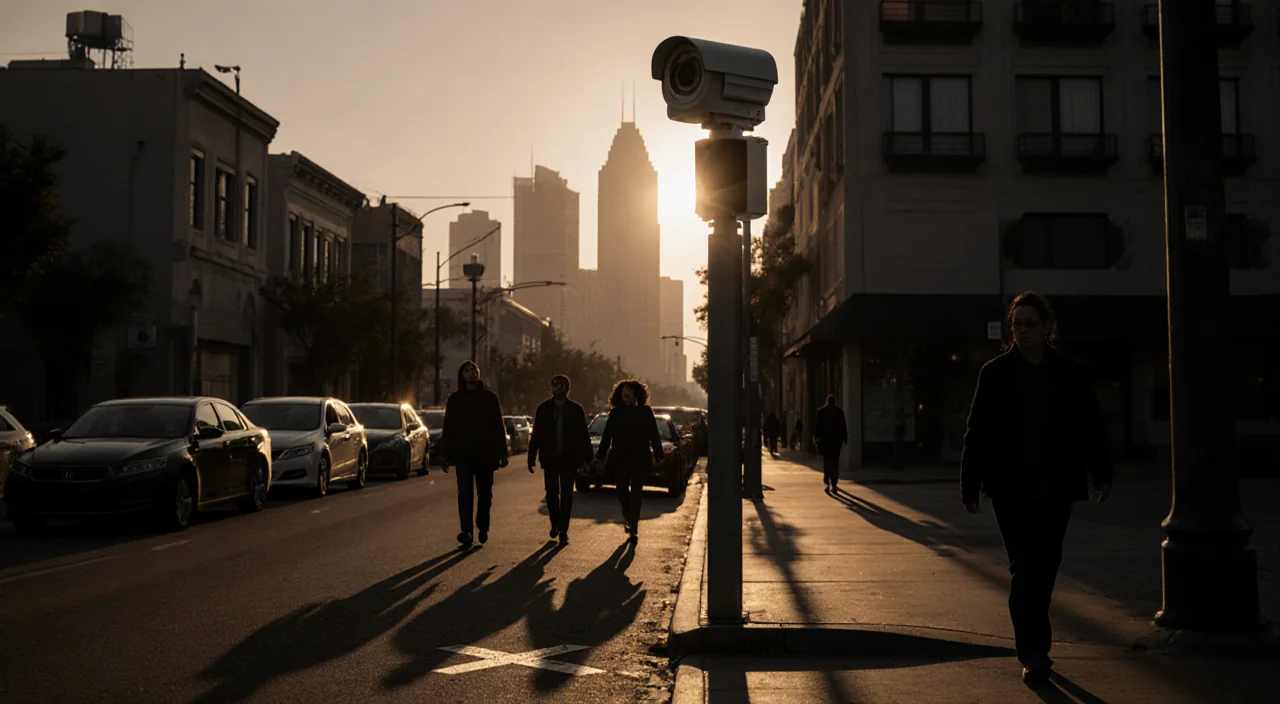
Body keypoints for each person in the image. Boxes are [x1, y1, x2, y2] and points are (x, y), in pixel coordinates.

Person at [960, 291, 1112, 689]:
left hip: (1057, 487)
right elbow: (976, 432)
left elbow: (1092, 426)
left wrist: (1102, 474)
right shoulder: (994, 373)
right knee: (1025, 569)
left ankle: (1035, 647)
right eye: (1017, 324)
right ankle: (1032, 652)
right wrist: (970, 485)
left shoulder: (1070, 373)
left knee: (1044, 569)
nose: (1022, 331)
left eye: (1030, 324)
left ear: (1048, 328)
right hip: (1010, 489)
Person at [440, 360, 509, 548]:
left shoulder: (489, 398)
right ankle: (466, 531)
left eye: (474, 371)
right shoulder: (455, 400)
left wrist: (502, 453)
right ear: (462, 375)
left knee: (485, 494)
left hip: (486, 456)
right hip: (463, 455)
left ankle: (483, 526)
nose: (472, 374)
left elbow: (498, 426)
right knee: (465, 494)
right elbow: (449, 428)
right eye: (468, 371)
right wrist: (445, 455)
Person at [594, 379, 664, 542]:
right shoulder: (615, 413)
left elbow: (654, 434)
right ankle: (628, 515)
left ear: (636, 394)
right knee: (621, 491)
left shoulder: (645, 411)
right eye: (623, 392)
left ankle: (634, 527)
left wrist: (659, 454)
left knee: (637, 493)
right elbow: (606, 438)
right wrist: (600, 458)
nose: (625, 394)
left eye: (629, 392)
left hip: (640, 458)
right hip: (620, 458)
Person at [527, 374, 592, 546]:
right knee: (551, 494)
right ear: (552, 388)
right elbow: (537, 434)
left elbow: (583, 436)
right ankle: (554, 523)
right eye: (556, 384)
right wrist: (531, 455)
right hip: (549, 459)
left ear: (568, 388)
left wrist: (588, 459)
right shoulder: (544, 409)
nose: (560, 388)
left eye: (563, 385)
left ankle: (563, 529)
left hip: (569, 460)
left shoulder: (576, 410)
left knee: (566, 496)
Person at [814, 395, 848, 492]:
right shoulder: (839, 412)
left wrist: (816, 437)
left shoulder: (821, 412)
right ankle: (834, 482)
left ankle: (826, 475)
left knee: (827, 459)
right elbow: (843, 426)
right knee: (835, 461)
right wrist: (845, 438)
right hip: (836, 442)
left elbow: (818, 426)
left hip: (825, 441)